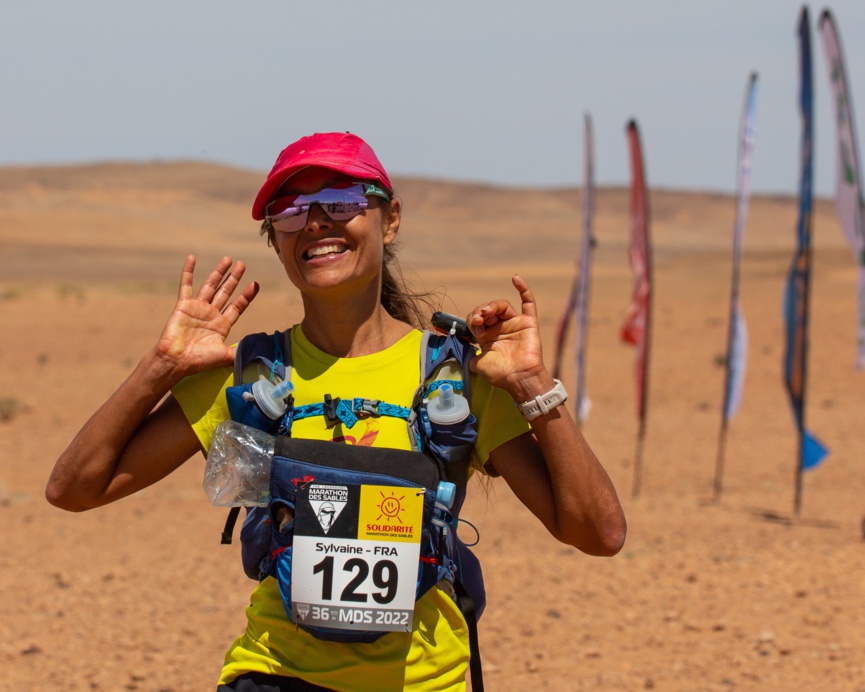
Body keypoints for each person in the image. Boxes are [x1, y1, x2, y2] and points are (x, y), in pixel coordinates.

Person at [46, 131, 626, 692]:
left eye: (340, 202)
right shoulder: (250, 378)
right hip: (273, 676)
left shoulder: (454, 379)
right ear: (275, 239)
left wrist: (532, 385)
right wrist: (162, 365)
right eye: (291, 211)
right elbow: (75, 488)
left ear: (389, 218)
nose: (316, 221)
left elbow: (598, 532)